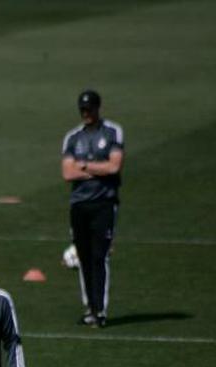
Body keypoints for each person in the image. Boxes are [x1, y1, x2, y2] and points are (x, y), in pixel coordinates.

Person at [61, 89, 125, 327]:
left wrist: (85, 165)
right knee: (84, 257)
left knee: (100, 256)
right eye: (83, 110)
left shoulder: (112, 132)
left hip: (104, 204)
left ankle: (101, 310)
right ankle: (90, 308)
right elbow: (68, 172)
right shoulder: (73, 137)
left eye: (89, 109)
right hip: (79, 204)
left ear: (98, 108)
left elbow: (114, 167)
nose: (86, 113)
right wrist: (99, 167)